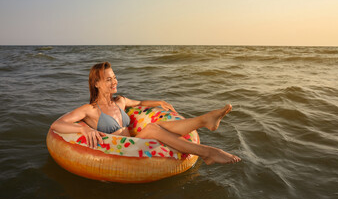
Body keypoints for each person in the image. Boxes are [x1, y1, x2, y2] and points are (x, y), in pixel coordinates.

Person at [51, 62, 241, 165]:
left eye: (115, 77)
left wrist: (159, 102)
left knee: (160, 126)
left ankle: (205, 120)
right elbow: (57, 125)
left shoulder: (120, 101)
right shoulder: (90, 109)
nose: (114, 82)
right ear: (96, 84)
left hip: (137, 141)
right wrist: (83, 130)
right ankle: (208, 152)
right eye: (108, 79)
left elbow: (140, 103)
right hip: (121, 149)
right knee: (152, 128)